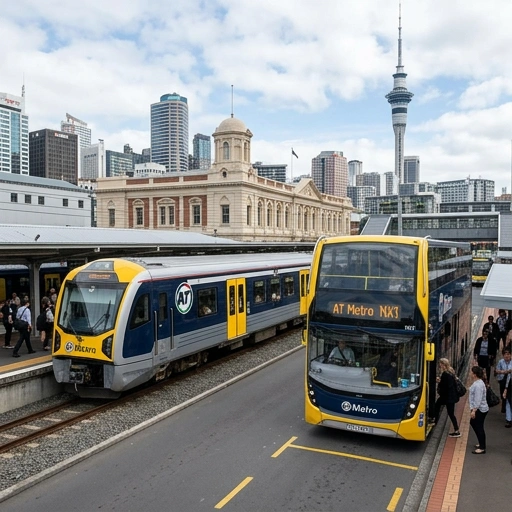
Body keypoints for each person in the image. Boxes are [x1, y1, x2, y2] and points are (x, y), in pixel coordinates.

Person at [434, 358, 460, 437]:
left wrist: (439, 382)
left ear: (443, 365)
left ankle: (457, 431)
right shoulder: (450, 371)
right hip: (450, 396)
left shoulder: (445, 374)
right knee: (439, 405)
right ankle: (435, 419)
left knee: (450, 413)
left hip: (448, 397)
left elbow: (445, 386)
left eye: (440, 364)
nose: (439, 365)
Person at [468, 365, 489, 454]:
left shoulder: (478, 385)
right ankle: (481, 443)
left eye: (471, 372)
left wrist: (474, 410)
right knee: (474, 423)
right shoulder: (478, 383)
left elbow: (478, 398)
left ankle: (482, 447)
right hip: (480, 408)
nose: (470, 374)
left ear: (475, 374)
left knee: (479, 426)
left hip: (480, 409)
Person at [494, 348, 512, 415]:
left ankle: (507, 406)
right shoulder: (501, 362)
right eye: (505, 354)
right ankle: (504, 404)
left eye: (508, 354)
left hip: (510, 379)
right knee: (503, 393)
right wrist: (504, 372)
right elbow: (497, 370)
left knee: (509, 393)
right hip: (502, 379)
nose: (506, 356)